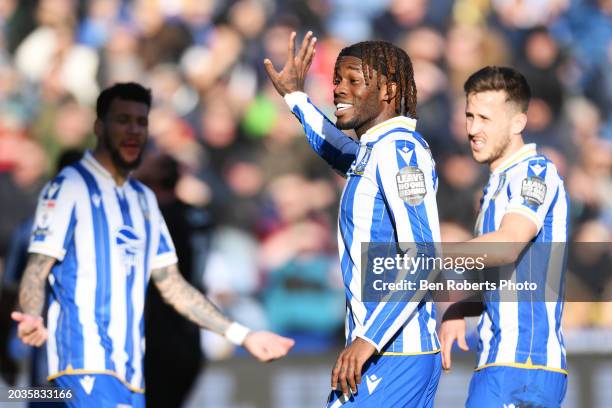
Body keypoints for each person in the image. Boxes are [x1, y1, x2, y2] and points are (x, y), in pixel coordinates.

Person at [11, 83, 294, 408]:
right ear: (99, 128)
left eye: (141, 122)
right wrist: (32, 314)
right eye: (123, 120)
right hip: (84, 364)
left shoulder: (142, 200)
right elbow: (38, 265)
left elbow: (172, 285)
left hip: (131, 374)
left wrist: (243, 335)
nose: (133, 131)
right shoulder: (70, 186)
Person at [265, 32, 442, 407]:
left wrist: (369, 339)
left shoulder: (399, 150)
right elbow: (341, 151)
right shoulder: (376, 151)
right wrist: (296, 97)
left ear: (389, 91)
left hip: (394, 351)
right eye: (336, 81)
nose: (338, 90)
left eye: (353, 81)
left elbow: (425, 256)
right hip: (385, 349)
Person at [438, 66, 569, 407]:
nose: (473, 129)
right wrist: (460, 309)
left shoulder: (534, 171)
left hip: (523, 365)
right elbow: (512, 278)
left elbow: (510, 244)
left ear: (517, 123)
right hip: (502, 363)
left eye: (485, 118)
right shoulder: (494, 187)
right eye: (469, 116)